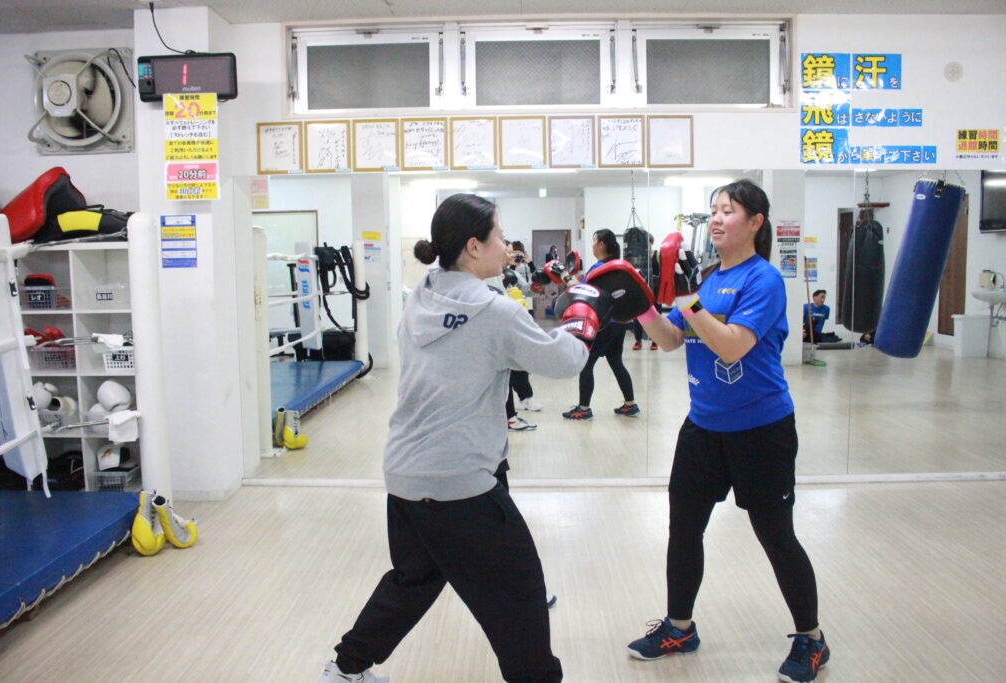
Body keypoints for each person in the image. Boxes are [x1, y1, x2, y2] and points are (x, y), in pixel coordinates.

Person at [318, 193, 593, 683]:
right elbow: (564, 361)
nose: (506, 246)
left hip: (405, 472)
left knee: (414, 579)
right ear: (472, 246)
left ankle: (345, 669)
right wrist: (581, 318)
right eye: (500, 237)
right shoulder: (495, 313)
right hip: (457, 481)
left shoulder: (421, 294)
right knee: (521, 593)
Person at [629, 180, 830, 683]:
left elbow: (733, 345)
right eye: (713, 210)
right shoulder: (709, 279)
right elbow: (671, 340)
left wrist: (689, 302)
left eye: (728, 211)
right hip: (703, 428)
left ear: (756, 222)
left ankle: (812, 639)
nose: (717, 219)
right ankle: (679, 628)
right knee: (683, 529)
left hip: (761, 431)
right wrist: (640, 305)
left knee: (775, 536)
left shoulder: (764, 280)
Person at [562, 229, 639, 420]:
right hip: (619, 322)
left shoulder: (599, 268)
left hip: (603, 324)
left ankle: (583, 409)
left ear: (602, 244)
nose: (592, 245)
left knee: (586, 363)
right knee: (616, 361)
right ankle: (630, 404)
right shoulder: (616, 266)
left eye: (594, 241)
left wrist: (564, 276)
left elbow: (582, 291)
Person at [508, 240, 542, 411]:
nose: (511, 256)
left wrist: (537, 281)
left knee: (518, 361)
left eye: (513, 252)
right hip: (497, 323)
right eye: (509, 252)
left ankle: (525, 398)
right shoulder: (488, 274)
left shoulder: (514, 273)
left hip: (516, 319)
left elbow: (529, 290)